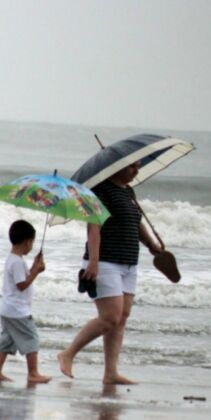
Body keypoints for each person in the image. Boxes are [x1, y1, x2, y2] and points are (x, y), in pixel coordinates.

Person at [57, 161, 162, 384]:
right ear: (117, 167)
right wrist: (93, 261)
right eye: (132, 167)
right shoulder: (100, 191)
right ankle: (68, 353)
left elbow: (136, 224)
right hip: (105, 262)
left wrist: (152, 245)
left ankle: (111, 373)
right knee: (110, 317)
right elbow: (94, 226)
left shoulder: (128, 191)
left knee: (121, 318)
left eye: (138, 166)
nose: (136, 171)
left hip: (129, 263)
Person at [0, 219, 52, 383]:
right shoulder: (17, 262)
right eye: (32, 243)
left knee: (6, 341)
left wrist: (33, 267)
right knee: (32, 338)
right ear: (27, 242)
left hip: (8, 309)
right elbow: (22, 284)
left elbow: (22, 279)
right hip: (18, 311)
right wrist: (36, 272)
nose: (31, 247)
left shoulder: (13, 259)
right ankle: (33, 373)